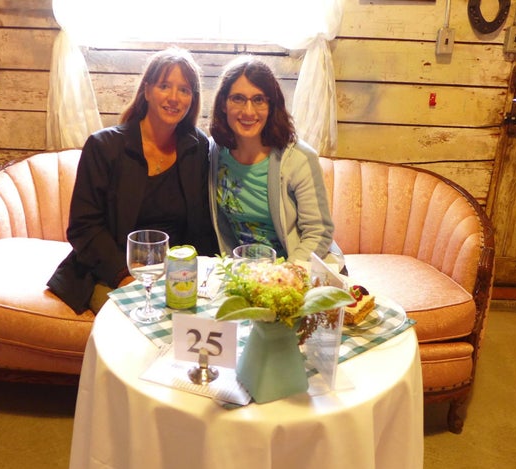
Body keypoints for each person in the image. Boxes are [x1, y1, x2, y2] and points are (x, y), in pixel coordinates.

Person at [48, 47, 218, 314]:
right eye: (165, 86)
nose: (174, 97)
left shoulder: (196, 147)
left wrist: (204, 277)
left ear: (192, 99)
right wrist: (124, 275)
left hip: (175, 272)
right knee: (138, 323)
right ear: (147, 90)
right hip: (110, 270)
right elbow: (84, 228)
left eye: (184, 90)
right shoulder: (104, 146)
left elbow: (202, 225)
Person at [208, 55, 342, 269]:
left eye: (259, 99)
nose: (248, 111)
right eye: (238, 98)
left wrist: (283, 275)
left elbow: (319, 232)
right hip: (246, 272)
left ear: (272, 106)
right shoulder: (215, 153)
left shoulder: (299, 159)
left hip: (302, 268)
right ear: (223, 104)